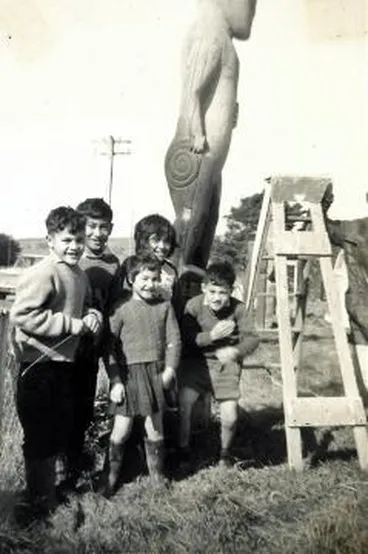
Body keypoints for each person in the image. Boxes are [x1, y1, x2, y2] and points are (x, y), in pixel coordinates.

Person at [10, 206, 102, 522]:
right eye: (66, 240)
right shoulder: (44, 272)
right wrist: (68, 324)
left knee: (60, 429)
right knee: (39, 434)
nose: (74, 246)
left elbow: (87, 305)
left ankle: (54, 490)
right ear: (50, 240)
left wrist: (92, 315)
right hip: (39, 366)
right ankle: (37, 500)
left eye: (79, 239)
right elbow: (21, 314)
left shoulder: (79, 273)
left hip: (65, 364)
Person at [104, 254, 181, 497]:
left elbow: (174, 341)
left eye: (155, 279)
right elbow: (109, 349)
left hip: (155, 374)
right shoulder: (121, 309)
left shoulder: (164, 307)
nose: (150, 284)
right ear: (131, 279)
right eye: (144, 278)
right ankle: (111, 478)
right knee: (122, 429)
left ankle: (158, 478)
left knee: (155, 428)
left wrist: (169, 370)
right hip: (128, 376)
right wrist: (115, 380)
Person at [178, 260, 259, 468]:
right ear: (204, 288)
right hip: (197, 363)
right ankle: (183, 451)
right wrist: (211, 336)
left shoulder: (238, 309)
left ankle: (225, 454)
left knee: (230, 416)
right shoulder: (194, 306)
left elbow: (252, 339)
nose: (216, 298)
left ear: (231, 291)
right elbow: (187, 338)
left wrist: (235, 351)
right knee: (184, 404)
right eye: (212, 291)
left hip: (226, 366)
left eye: (222, 293)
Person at [66, 198, 120, 482]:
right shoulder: (73, 258)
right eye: (92, 226)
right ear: (80, 226)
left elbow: (115, 305)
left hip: (96, 345)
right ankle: (63, 466)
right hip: (70, 345)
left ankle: (77, 461)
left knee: (85, 405)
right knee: (66, 405)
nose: (98, 233)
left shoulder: (114, 263)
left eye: (104, 227)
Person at [322, 184, 368, 402]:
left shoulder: (353, 230)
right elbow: (328, 229)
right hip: (361, 309)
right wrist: (323, 204)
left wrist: (323, 203)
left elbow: (328, 229)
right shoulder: (353, 229)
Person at [112, 213, 179, 308]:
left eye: (167, 241)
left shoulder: (171, 270)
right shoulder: (131, 265)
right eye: (155, 240)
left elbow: (176, 304)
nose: (162, 246)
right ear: (143, 240)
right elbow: (119, 298)